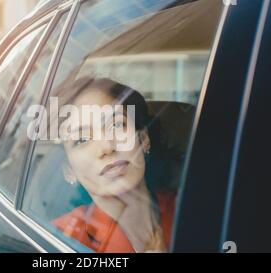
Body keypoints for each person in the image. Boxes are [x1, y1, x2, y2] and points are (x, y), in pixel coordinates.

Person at [52, 77, 177, 253]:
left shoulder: (190, 205)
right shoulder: (61, 240)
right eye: (82, 139)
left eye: (117, 125)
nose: (106, 147)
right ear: (69, 170)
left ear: (143, 138)